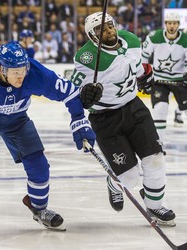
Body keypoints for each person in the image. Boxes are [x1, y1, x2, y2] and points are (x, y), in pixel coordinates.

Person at [0, 41, 96, 239]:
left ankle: (39, 208)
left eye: (23, 69)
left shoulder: (36, 74)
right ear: (2, 69)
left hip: (16, 118)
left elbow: (70, 92)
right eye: (15, 72)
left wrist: (79, 119)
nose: (21, 76)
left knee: (39, 165)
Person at [72, 12, 176, 227]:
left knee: (155, 159)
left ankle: (155, 205)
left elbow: (137, 68)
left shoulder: (131, 40)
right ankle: (114, 183)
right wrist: (83, 96)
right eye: (100, 30)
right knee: (128, 177)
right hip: (105, 118)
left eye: (109, 26)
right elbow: (73, 90)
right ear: (92, 36)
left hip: (134, 108)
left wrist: (144, 78)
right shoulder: (87, 58)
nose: (108, 31)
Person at [141, 12, 187, 160]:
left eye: (174, 23)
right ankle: (159, 143)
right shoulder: (154, 37)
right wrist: (143, 75)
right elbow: (143, 56)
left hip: (180, 80)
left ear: (178, 25)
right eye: (169, 23)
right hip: (159, 81)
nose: (171, 26)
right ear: (165, 24)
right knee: (160, 109)